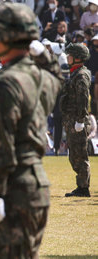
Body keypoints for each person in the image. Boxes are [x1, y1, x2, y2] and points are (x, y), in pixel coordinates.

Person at [0, 2, 62, 258]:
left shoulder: (5, 83)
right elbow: (57, 75)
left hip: (10, 191)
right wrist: (42, 53)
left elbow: (1, 144)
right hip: (35, 187)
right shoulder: (43, 79)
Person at [60, 44, 91, 197]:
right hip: (72, 121)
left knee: (80, 154)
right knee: (74, 154)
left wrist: (80, 120)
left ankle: (84, 188)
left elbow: (83, 98)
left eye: (70, 55)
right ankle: (81, 186)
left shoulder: (81, 75)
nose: (67, 57)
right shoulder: (75, 74)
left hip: (77, 121)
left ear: (77, 57)